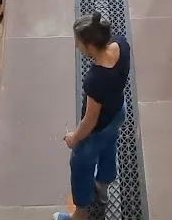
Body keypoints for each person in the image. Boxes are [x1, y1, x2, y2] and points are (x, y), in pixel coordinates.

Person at [56, 12, 131, 220]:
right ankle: (103, 188)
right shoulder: (121, 44)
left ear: (90, 47)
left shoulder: (96, 79)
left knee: (80, 165)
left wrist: (74, 138)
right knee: (109, 148)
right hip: (117, 113)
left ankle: (80, 215)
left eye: (77, 42)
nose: (75, 46)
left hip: (96, 129)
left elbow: (90, 120)